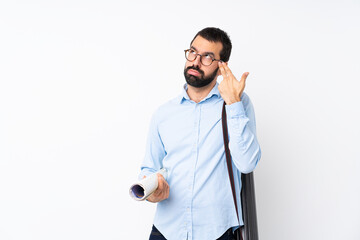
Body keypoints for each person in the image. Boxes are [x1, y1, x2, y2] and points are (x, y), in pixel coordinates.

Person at [139, 27, 261, 240]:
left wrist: (233, 103)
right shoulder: (164, 113)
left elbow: (247, 163)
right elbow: (149, 167)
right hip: (166, 231)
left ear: (222, 66)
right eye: (193, 52)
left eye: (207, 57)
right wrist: (151, 192)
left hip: (218, 231)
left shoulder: (237, 103)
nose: (195, 61)